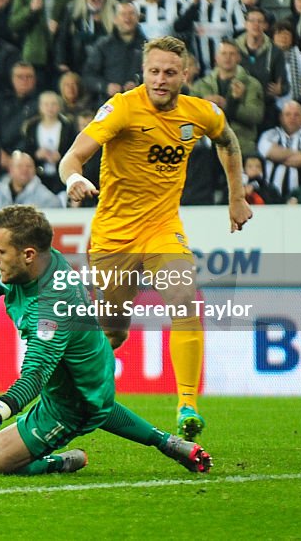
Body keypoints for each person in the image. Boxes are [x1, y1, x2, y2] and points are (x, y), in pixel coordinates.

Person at [58, 35, 253, 439]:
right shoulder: (122, 109)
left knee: (184, 300)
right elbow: (73, 156)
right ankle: (63, 385)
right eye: (153, 72)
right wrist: (75, 178)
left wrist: (237, 197)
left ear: (185, 75)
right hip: (114, 237)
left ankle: (186, 405)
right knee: (112, 331)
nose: (160, 80)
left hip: (163, 230)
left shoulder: (201, 113)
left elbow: (228, 140)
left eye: (169, 72)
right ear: (142, 73)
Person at [0, 204, 212, 477]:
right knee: (95, 399)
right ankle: (169, 443)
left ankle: (58, 462)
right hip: (92, 374)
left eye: (0, 252)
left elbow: (36, 373)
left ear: (28, 254)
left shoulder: (52, 304)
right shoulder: (30, 265)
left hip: (70, 407)